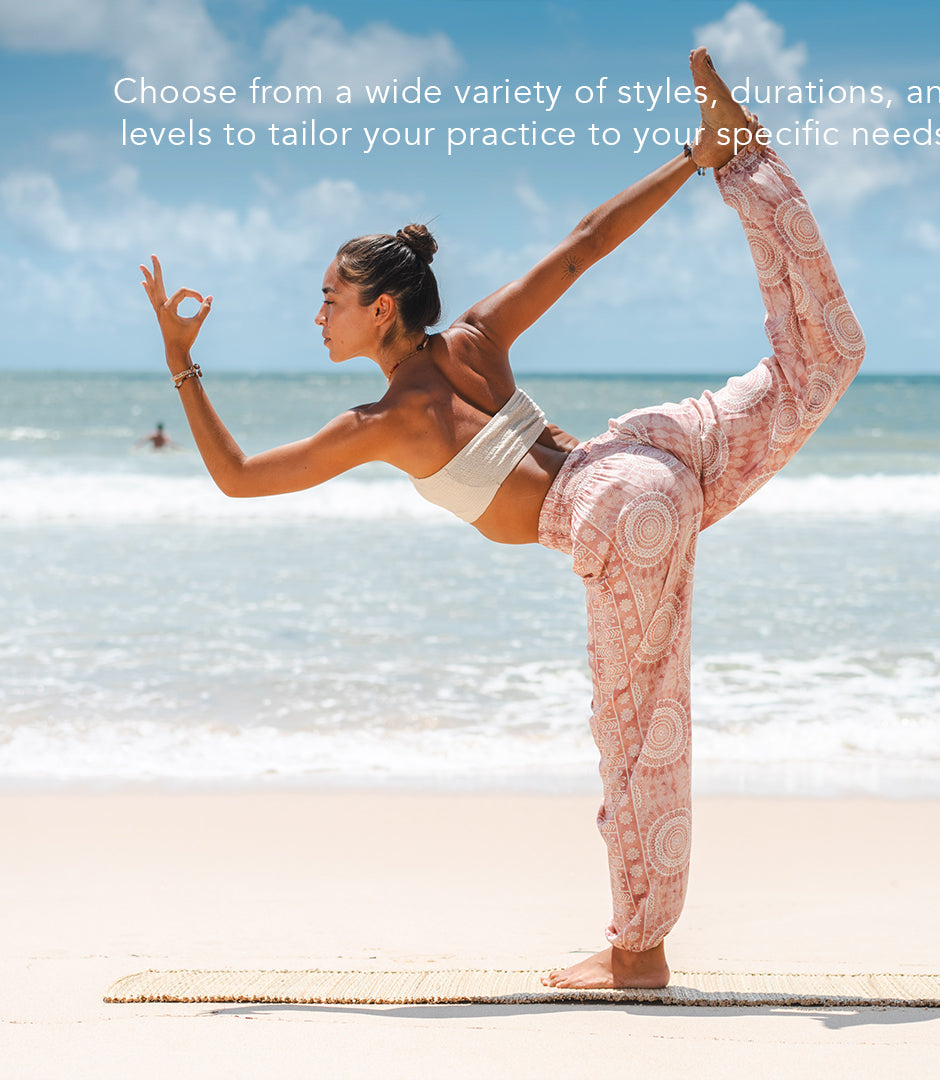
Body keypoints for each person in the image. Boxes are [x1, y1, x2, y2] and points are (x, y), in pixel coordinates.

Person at [140, 49, 864, 989]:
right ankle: (747, 166)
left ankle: (638, 952)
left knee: (638, 725)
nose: (316, 313)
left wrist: (180, 363)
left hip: (613, 510)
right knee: (817, 364)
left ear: (381, 306)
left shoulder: (382, 424)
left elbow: (238, 478)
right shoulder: (478, 337)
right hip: (645, 455)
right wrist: (693, 162)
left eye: (330, 296)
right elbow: (586, 242)